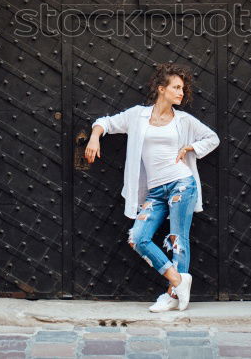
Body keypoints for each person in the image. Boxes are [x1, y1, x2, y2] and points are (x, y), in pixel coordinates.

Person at [85, 62, 220, 312]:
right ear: (161, 89)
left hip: (181, 183)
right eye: (176, 87)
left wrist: (191, 148)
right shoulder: (137, 116)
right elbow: (106, 122)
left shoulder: (184, 120)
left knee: (178, 238)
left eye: (183, 88)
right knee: (137, 237)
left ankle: (172, 296)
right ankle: (178, 280)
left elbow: (212, 138)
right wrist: (94, 137)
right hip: (155, 191)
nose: (181, 92)